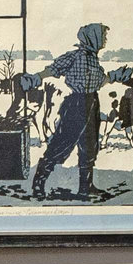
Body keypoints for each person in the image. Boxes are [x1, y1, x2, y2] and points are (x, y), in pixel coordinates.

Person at [28, 22, 110, 201]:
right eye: (103, 36)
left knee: (89, 146)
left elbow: (98, 82)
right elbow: (54, 69)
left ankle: (86, 187)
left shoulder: (94, 60)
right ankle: (38, 184)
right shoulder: (75, 56)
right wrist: (37, 77)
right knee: (61, 144)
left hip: (92, 102)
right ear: (93, 37)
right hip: (76, 104)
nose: (105, 39)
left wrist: (113, 77)